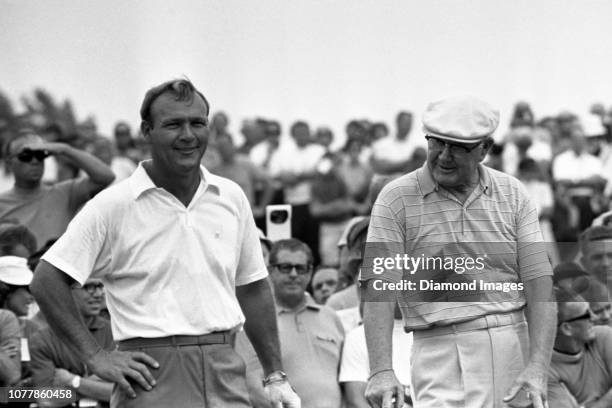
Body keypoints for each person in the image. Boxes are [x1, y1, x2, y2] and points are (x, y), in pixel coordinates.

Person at [30, 79, 299, 408]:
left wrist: (275, 375)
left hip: (225, 367)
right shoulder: (114, 204)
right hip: (151, 373)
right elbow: (46, 279)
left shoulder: (231, 197)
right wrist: (97, 357)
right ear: (147, 131)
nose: (188, 135)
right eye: (173, 124)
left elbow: (253, 286)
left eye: (197, 123)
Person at [361, 96, 556, 408]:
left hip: (510, 344)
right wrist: (381, 370)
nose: (444, 156)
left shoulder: (513, 193)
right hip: (435, 350)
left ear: (485, 149)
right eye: (437, 143)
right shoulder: (395, 198)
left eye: (458, 147)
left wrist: (538, 367)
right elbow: (379, 287)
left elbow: (539, 283)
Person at [237, 239, 344, 408]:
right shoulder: (256, 321)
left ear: (310, 273)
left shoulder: (331, 317)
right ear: (270, 271)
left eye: (300, 268)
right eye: (285, 267)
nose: (294, 274)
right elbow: (251, 384)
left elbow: (344, 381)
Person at [0, 129, 115, 250]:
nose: (34, 161)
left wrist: (65, 150)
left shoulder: (64, 192)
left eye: (40, 155)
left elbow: (105, 177)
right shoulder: (2, 203)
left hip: (56, 267)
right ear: (8, 164)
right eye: (25, 156)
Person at [30, 279, 115, 407]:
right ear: (63, 292)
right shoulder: (42, 340)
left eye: (100, 286)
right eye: (88, 287)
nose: (98, 294)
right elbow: (46, 400)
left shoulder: (114, 332)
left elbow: (126, 392)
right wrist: (98, 383)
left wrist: (73, 381)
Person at [547, 289, 612, 408]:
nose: (593, 317)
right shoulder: (546, 371)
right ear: (567, 328)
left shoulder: (604, 335)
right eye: (587, 314)